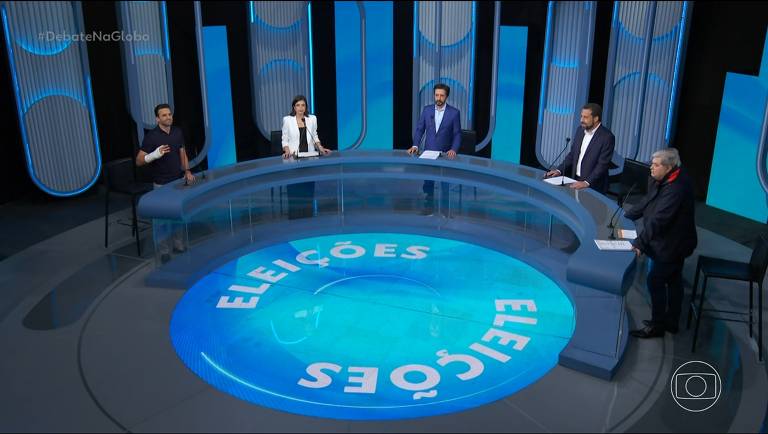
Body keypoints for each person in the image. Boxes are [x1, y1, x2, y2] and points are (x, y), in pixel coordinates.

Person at [625, 148, 697, 338]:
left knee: (655, 279)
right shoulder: (663, 179)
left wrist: (640, 243)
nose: (651, 168)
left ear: (669, 167)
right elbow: (648, 201)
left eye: (656, 165)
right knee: (673, 280)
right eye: (651, 163)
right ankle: (671, 322)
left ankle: (657, 326)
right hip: (671, 241)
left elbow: (659, 219)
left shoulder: (676, 188)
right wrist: (626, 215)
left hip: (674, 243)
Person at [136, 104, 195, 261]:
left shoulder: (177, 132)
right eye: (164, 115)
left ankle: (179, 245)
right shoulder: (152, 137)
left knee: (177, 215)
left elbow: (182, 152)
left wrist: (187, 171)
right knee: (162, 220)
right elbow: (139, 161)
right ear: (157, 119)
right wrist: (153, 155)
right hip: (161, 183)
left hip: (177, 181)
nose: (168, 117)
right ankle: (164, 252)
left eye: (169, 114)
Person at [408, 83, 461, 213]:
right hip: (428, 152)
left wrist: (454, 149)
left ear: (446, 97)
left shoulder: (454, 113)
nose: (438, 98)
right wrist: (415, 145)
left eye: (442, 96)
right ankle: (428, 208)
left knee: (445, 184)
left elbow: (457, 134)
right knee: (428, 183)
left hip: (445, 154)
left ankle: (444, 211)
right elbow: (420, 129)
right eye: (436, 95)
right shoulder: (427, 110)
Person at [545, 103, 615, 194]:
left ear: (596, 119)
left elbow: (602, 165)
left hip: (594, 185)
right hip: (575, 181)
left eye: (585, 117)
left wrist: (586, 182)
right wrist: (559, 170)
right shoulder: (580, 130)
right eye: (581, 116)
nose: (581, 120)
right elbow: (572, 154)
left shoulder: (607, 137)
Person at [281, 96, 330, 219]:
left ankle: (308, 216)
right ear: (294, 107)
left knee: (308, 189)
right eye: (298, 105)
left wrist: (321, 148)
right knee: (295, 189)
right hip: (294, 158)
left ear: (306, 107)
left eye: (303, 105)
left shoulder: (312, 119)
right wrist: (287, 151)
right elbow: (284, 139)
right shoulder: (287, 120)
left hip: (309, 159)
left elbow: (315, 136)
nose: (300, 108)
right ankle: (294, 217)